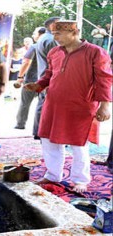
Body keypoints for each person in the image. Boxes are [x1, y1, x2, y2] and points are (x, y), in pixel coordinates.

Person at [25, 20, 112, 193]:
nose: (55, 37)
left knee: (78, 143)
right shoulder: (54, 52)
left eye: (59, 33)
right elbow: (50, 74)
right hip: (54, 103)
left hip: (81, 104)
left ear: (75, 32)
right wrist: (39, 85)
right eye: (54, 33)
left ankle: (80, 179)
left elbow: (104, 79)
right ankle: (52, 175)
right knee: (48, 139)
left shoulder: (96, 53)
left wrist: (105, 105)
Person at [33, 16, 60, 140]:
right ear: (52, 25)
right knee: (46, 106)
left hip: (44, 76)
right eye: (60, 23)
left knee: (42, 104)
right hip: (50, 77)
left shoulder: (44, 37)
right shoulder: (51, 40)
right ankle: (43, 132)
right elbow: (56, 62)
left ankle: (39, 132)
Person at [14, 27, 46, 130]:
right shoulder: (52, 45)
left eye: (34, 33)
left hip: (31, 79)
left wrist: (20, 76)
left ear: (40, 34)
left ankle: (20, 124)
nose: (33, 36)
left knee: (25, 103)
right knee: (43, 104)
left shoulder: (34, 46)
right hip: (46, 80)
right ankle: (40, 127)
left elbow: (26, 61)